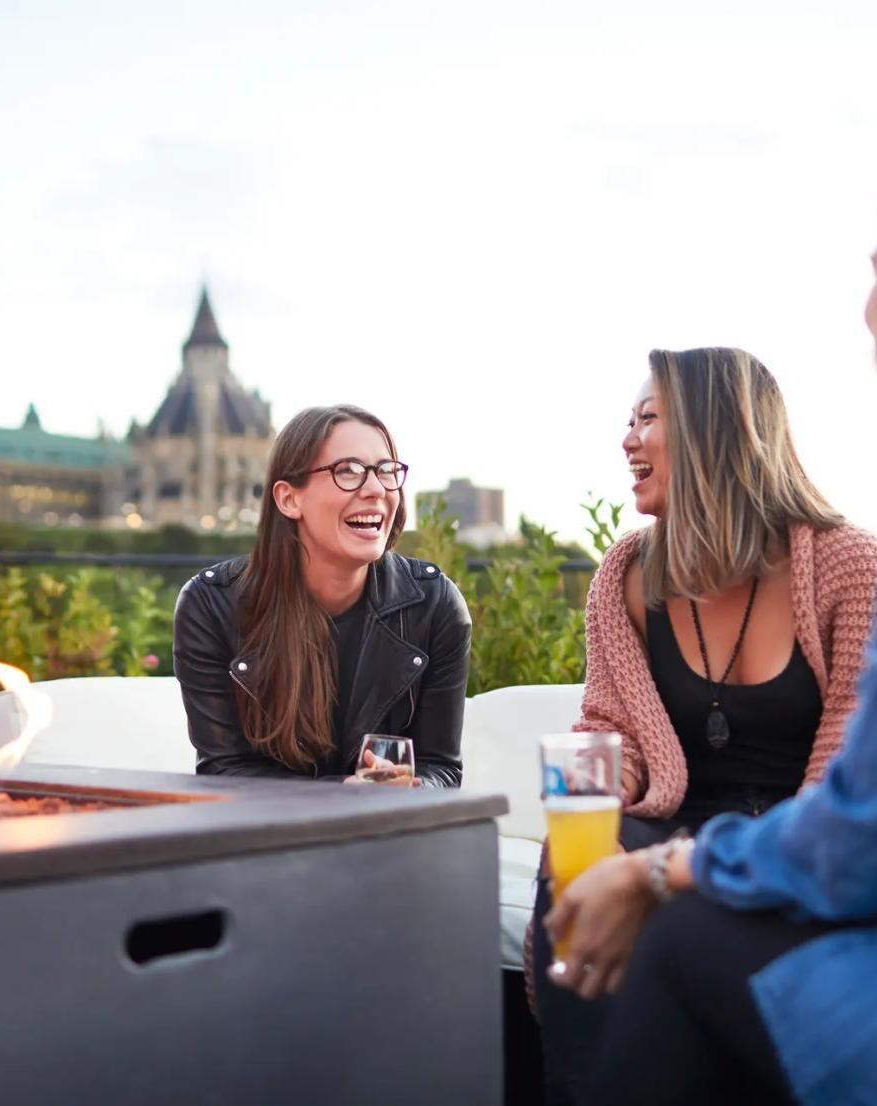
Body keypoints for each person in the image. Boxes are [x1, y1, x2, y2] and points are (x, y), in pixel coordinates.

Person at [544, 247, 877, 1106]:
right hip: (680, 818)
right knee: (573, 863)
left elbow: (845, 787)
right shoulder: (628, 575)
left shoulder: (845, 565)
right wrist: (590, 784)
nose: (627, 437)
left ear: (712, 430)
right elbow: (606, 729)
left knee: (681, 919)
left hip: (787, 832)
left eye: (648, 417)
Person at [173, 404, 470, 786]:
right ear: (288, 499)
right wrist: (342, 796)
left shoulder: (435, 604)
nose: (376, 489)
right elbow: (225, 773)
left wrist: (411, 787)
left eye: (386, 471)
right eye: (348, 471)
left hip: (384, 837)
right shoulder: (211, 605)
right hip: (270, 837)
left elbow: (440, 767)